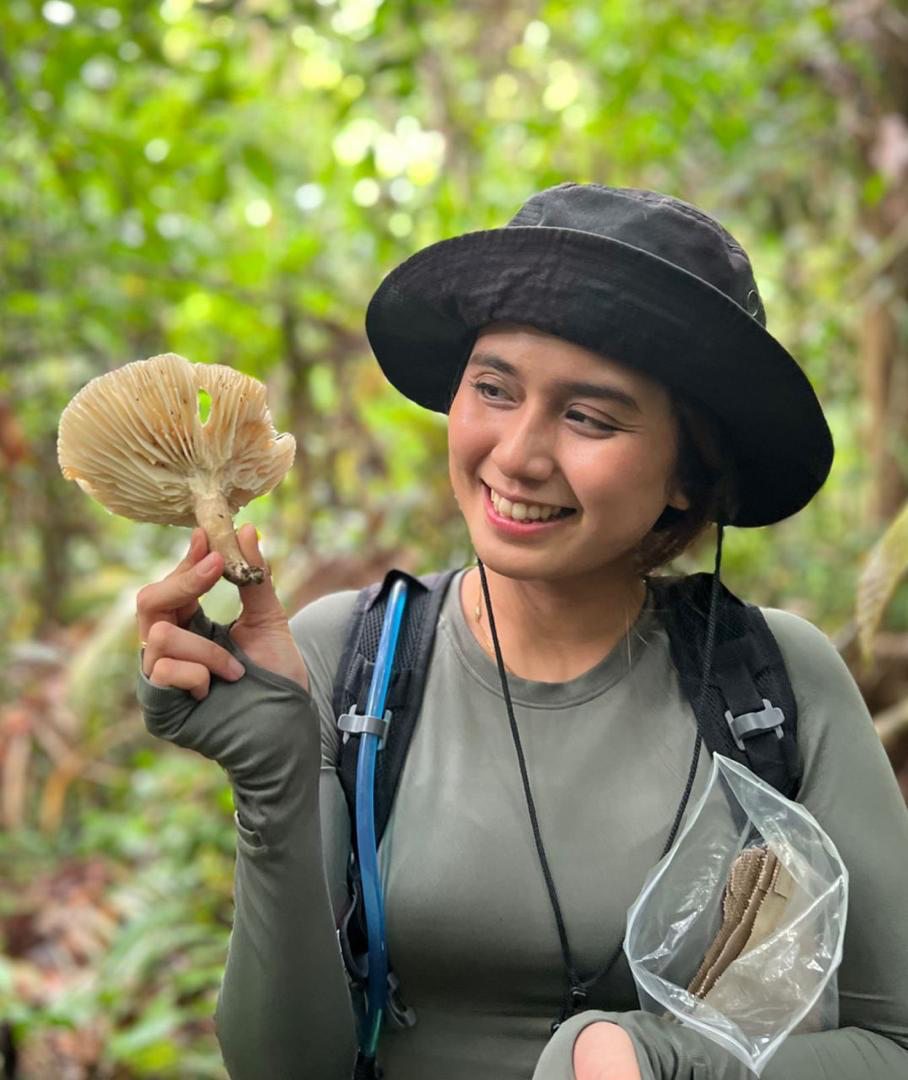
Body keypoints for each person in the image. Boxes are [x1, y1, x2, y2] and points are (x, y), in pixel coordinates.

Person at [135, 183, 908, 1080]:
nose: (519, 453)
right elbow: (282, 1068)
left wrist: (659, 1062)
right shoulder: (351, 660)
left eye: (589, 416)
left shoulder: (775, 685)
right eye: (493, 389)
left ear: (691, 474)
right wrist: (270, 782)